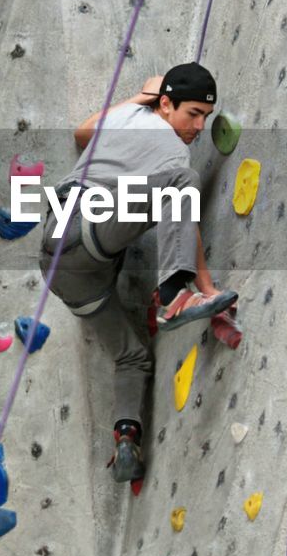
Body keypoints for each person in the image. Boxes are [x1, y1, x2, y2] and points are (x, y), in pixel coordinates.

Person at [38, 62, 238, 483]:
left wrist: (139, 96)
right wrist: (206, 288)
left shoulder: (127, 115)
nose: (200, 126)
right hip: (84, 224)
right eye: (194, 114)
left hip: (67, 272)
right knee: (183, 180)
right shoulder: (173, 152)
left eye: (206, 117)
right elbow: (185, 216)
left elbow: (81, 133)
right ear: (167, 104)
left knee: (132, 356)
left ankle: (126, 439)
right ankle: (172, 295)